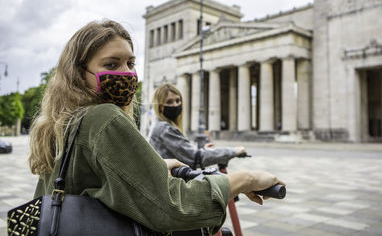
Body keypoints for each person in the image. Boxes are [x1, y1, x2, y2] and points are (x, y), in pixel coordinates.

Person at [28, 20, 284, 234]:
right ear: (78, 73)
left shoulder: (64, 122)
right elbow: (172, 207)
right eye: (111, 64)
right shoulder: (104, 118)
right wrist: (246, 179)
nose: (126, 73)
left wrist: (153, 167)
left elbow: (88, 180)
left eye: (130, 63)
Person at [149, 83, 247, 169]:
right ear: (160, 107)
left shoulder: (161, 126)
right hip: (173, 186)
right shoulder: (164, 129)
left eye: (178, 100)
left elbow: (184, 154)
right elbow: (195, 158)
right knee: (249, 179)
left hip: (173, 182)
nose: (175, 105)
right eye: (169, 102)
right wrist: (233, 151)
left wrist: (204, 150)